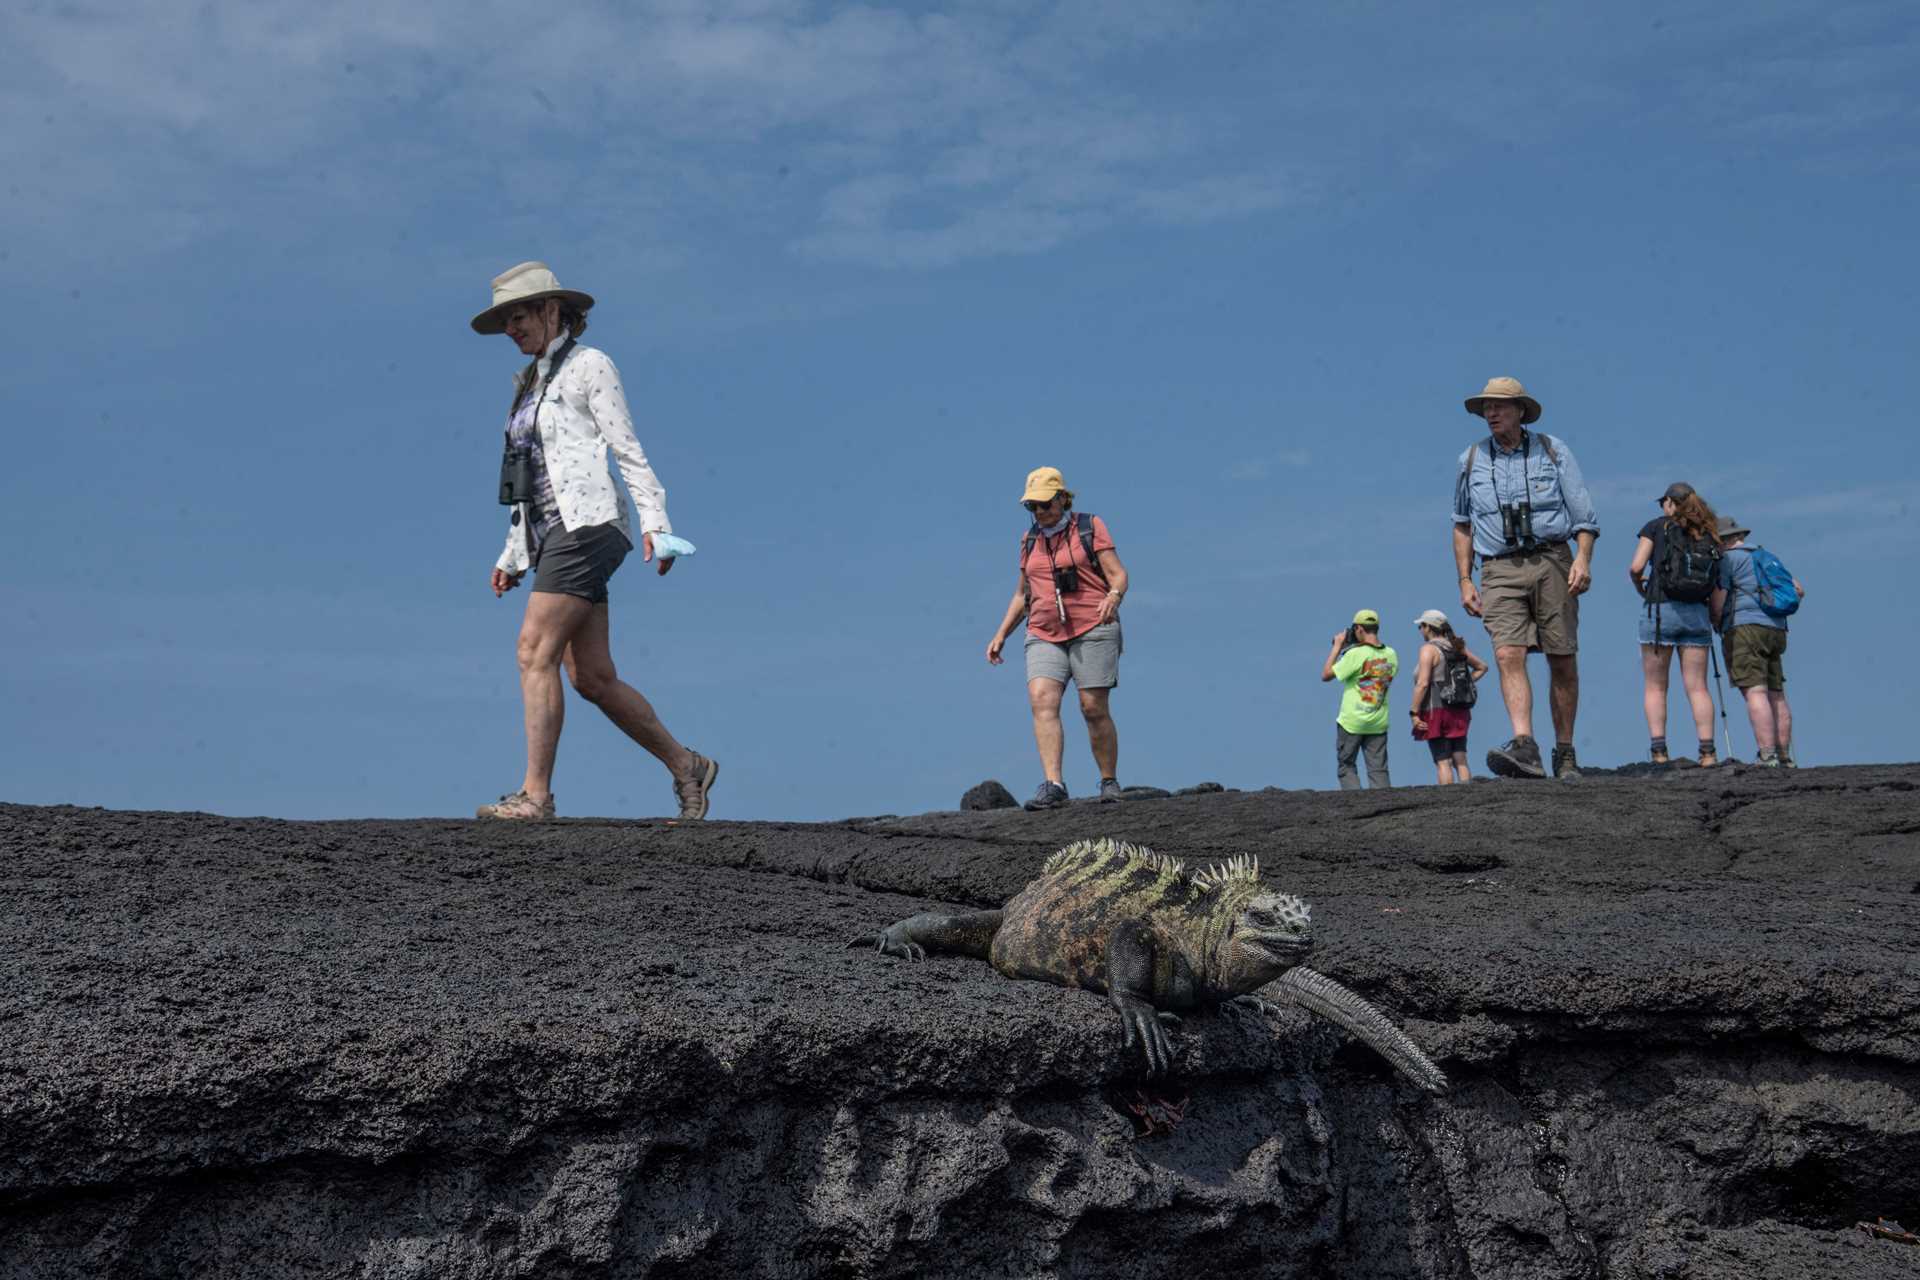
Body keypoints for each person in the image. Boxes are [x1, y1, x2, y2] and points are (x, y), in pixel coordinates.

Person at [470, 261, 718, 821]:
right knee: (592, 678)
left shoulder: (589, 366)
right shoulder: (528, 386)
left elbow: (625, 446)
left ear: (552, 310)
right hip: (553, 533)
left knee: (534, 650)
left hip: (590, 525)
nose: (511, 328)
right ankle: (688, 766)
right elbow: (526, 477)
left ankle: (536, 797)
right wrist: (512, 555)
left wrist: (656, 521)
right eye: (505, 320)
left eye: (518, 315)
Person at [1451, 377, 1601, 781]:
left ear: (1520, 410)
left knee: (1562, 656)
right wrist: (1465, 579)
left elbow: (1584, 517)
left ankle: (1565, 752)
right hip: (1497, 567)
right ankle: (1525, 744)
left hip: (1553, 559)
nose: (1491, 413)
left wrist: (1583, 559)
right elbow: (1461, 524)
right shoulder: (1470, 460)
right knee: (1506, 653)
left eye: (1499, 406)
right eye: (1486, 407)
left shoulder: (1553, 451)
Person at [986, 468, 1130, 810]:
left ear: (1062, 499)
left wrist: (1114, 596)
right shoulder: (1029, 541)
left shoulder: (1089, 527)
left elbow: (1118, 574)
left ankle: (1108, 781)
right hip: (1043, 631)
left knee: (1092, 707)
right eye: (1031, 507)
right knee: (1041, 699)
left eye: (1045, 504)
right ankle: (1053, 784)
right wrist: (1001, 633)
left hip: (1092, 626)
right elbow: (1023, 594)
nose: (1039, 512)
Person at [1628, 482, 1722, 766]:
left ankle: (1659, 752)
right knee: (1698, 687)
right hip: (1696, 614)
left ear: (1669, 502)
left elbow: (1636, 566)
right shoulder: (1709, 532)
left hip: (1660, 612)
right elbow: (1718, 586)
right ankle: (1708, 753)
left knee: (1656, 686)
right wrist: (1715, 620)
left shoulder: (1657, 527)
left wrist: (1639, 586)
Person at [1710, 515, 1805, 767]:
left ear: (1723, 541)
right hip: (1776, 628)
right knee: (1777, 693)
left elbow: (1719, 600)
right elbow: (1798, 589)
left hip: (1744, 628)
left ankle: (1767, 755)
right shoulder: (1767, 556)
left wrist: (1716, 623)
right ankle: (1785, 756)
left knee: (1755, 690)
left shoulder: (1728, 560)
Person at [1406, 609, 1489, 785]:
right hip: (1460, 708)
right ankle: (1468, 795)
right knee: (1460, 758)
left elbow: (1422, 683)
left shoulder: (1429, 649)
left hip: (1436, 709)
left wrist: (1413, 713)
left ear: (1428, 627)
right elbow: (1482, 667)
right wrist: (1465, 684)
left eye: (1421, 626)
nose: (1420, 630)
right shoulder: (1457, 647)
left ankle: (1449, 801)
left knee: (1443, 760)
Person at [1321, 610, 1398, 790]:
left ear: (1359, 629)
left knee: (1346, 765)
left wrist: (1337, 647)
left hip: (1352, 721)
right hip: (1378, 720)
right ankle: (1385, 804)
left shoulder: (1355, 654)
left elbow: (1326, 674)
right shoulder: (1392, 654)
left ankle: (1356, 806)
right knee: (1378, 769)